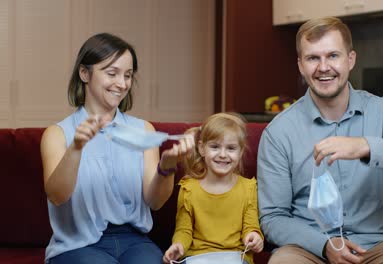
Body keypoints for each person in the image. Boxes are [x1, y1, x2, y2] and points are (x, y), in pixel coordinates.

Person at [257, 16, 383, 264]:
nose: (323, 67)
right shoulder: (278, 131)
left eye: (333, 56)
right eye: (313, 58)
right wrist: (324, 246)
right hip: (307, 249)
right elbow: (273, 217)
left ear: (351, 59)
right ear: (300, 65)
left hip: (375, 246)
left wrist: (366, 146)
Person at [40, 32, 195, 264]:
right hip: (78, 245)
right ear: (84, 73)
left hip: (134, 240)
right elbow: (57, 195)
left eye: (128, 75)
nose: (122, 84)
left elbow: (155, 202)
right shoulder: (57, 134)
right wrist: (77, 147)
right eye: (112, 73)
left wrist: (167, 167)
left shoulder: (144, 130)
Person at [163, 113, 264, 264]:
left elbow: (251, 226)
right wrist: (178, 245)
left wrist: (254, 237)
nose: (222, 155)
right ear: (202, 149)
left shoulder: (248, 188)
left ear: (241, 152)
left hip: (235, 257)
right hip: (196, 258)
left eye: (231, 148)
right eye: (215, 147)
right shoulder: (189, 188)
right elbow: (184, 230)